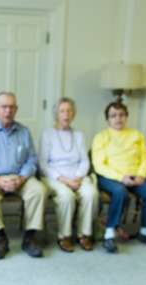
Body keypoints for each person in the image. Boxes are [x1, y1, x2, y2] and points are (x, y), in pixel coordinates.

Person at [0, 92, 46, 259]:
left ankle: (29, 237)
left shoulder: (24, 132)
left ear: (16, 109)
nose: (7, 110)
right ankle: (0, 237)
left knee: (39, 190)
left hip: (20, 177)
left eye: (11, 107)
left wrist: (22, 178)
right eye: (3, 106)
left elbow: (32, 159)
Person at [92, 102, 146, 252]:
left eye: (121, 115)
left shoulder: (136, 134)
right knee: (120, 191)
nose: (118, 118)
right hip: (110, 176)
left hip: (136, 176)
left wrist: (141, 175)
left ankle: (145, 231)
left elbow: (145, 158)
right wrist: (120, 177)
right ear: (108, 119)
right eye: (113, 115)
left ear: (126, 116)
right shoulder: (101, 136)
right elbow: (99, 165)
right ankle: (109, 234)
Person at [38, 97, 98, 252]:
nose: (66, 114)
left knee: (91, 193)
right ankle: (63, 236)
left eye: (69, 111)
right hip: (54, 177)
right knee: (66, 196)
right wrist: (63, 179)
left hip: (77, 176)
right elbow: (43, 164)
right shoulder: (47, 135)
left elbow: (85, 161)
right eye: (62, 111)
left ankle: (84, 234)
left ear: (73, 114)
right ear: (56, 115)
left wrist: (77, 177)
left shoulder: (78, 135)